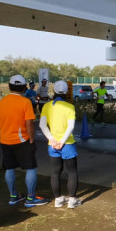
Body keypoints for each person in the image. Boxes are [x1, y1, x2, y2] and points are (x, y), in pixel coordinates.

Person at [0, 74, 49, 207]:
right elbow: (29, 123)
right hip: (22, 140)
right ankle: (31, 198)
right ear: (23, 87)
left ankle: (13, 196)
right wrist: (31, 139)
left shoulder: (2, 102)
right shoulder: (25, 102)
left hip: (5, 140)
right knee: (31, 167)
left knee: (9, 168)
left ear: (10, 86)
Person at [39, 81, 82, 209]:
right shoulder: (70, 107)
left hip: (52, 145)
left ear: (55, 91)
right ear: (66, 92)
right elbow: (71, 126)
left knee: (55, 172)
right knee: (72, 172)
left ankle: (58, 199)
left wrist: (52, 140)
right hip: (67, 143)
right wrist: (62, 141)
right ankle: (72, 200)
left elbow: (42, 125)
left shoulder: (47, 106)